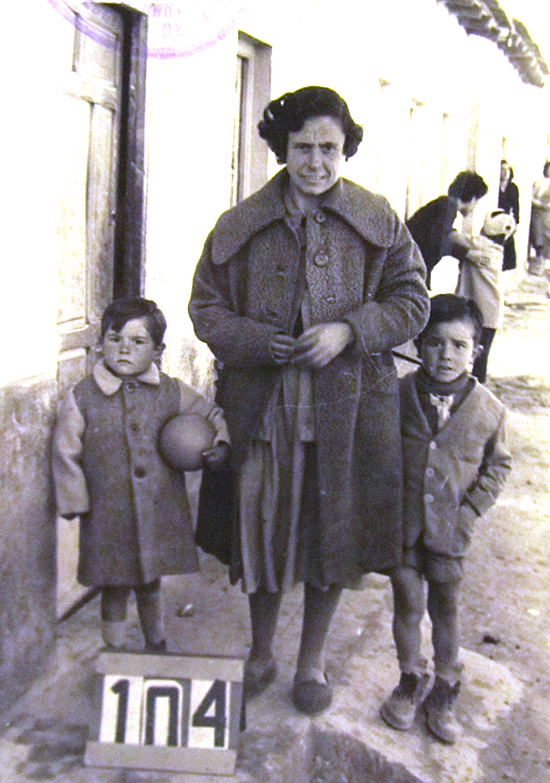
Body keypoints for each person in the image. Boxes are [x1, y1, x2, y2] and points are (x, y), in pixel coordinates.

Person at [188, 86, 430, 715]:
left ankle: (311, 661)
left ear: (346, 147)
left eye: (329, 147)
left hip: (347, 408)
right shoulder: (241, 224)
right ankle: (262, 651)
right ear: (281, 148)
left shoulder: (379, 220)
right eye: (302, 147)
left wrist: (350, 329)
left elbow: (413, 301)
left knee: (332, 531)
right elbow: (205, 307)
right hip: (263, 407)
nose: (316, 162)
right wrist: (257, 341)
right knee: (261, 529)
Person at [52, 297, 230, 651]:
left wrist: (220, 443)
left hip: (157, 508)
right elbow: (65, 449)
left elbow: (211, 414)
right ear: (101, 341)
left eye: (137, 341)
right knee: (114, 584)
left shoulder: (171, 390)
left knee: (150, 580)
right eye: (114, 338)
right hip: (108, 514)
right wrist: (74, 499)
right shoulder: (83, 396)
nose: (123, 349)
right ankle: (114, 653)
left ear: (158, 350)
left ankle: (156, 642)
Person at [380, 294, 511, 744]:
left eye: (458, 345)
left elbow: (499, 466)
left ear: (476, 351)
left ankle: (445, 690)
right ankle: (409, 680)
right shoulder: (395, 395)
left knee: (445, 610)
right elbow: (377, 453)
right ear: (418, 344)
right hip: (401, 526)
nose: (446, 355)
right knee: (407, 605)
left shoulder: (489, 409)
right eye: (435, 343)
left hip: (450, 533)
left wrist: (470, 512)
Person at [455, 209, 516, 382]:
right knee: (481, 356)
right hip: (492, 313)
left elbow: (454, 239)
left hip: (477, 311)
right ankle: (477, 385)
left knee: (464, 348)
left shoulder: (480, 244)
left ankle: (470, 386)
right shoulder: (497, 250)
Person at [406, 172, 489, 288]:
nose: (475, 207)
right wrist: (467, 254)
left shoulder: (445, 204)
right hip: (410, 265)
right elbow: (438, 241)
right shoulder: (448, 207)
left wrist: (454, 234)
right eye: (477, 202)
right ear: (473, 198)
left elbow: (437, 231)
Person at [498, 160, 520, 272]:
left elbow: (516, 206)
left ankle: (508, 268)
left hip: (507, 219)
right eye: (502, 170)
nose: (505, 173)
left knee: (509, 244)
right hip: (496, 218)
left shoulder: (512, 188)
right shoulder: (495, 186)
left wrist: (515, 222)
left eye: (507, 170)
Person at [529, 161, 550, 275]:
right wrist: (537, 203)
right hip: (537, 214)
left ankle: (545, 265)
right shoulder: (537, 183)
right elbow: (530, 196)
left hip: (548, 215)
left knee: (547, 239)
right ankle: (538, 264)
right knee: (537, 238)